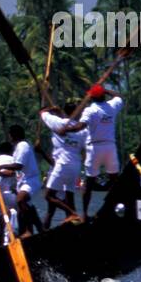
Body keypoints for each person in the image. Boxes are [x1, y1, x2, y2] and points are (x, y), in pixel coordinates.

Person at [74, 85, 125, 219]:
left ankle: (84, 214)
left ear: (92, 97)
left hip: (94, 148)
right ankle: (116, 209)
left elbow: (81, 125)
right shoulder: (112, 106)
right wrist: (107, 90)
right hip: (110, 147)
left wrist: (67, 129)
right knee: (114, 180)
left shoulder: (90, 110)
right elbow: (119, 96)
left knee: (89, 182)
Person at [39, 103, 87, 227]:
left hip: (62, 165)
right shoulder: (83, 130)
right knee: (70, 197)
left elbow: (42, 113)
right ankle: (73, 225)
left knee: (48, 196)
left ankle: (72, 213)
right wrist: (59, 112)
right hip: (76, 166)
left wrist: (51, 108)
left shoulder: (58, 123)